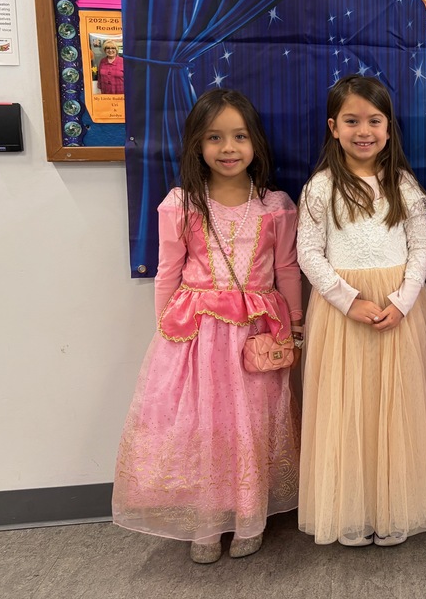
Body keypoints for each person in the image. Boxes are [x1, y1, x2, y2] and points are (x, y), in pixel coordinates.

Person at [112, 89, 303, 564]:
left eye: (239, 136)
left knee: (252, 423)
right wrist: (164, 332)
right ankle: (205, 520)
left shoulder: (274, 206)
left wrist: (294, 325)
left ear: (255, 141)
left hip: (257, 333)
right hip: (196, 336)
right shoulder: (182, 203)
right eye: (215, 137)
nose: (228, 147)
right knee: (204, 425)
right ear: (197, 144)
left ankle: (247, 515)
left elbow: (287, 270)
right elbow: (168, 272)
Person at [296, 75, 426, 547]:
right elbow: (309, 254)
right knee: (348, 409)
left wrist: (404, 299)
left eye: (374, 120)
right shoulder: (321, 188)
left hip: (398, 310)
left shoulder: (403, 185)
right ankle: (353, 509)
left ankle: (395, 508)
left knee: (398, 408)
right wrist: (349, 300)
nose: (363, 130)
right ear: (333, 127)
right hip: (343, 312)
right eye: (351, 121)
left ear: (389, 129)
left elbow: (421, 248)